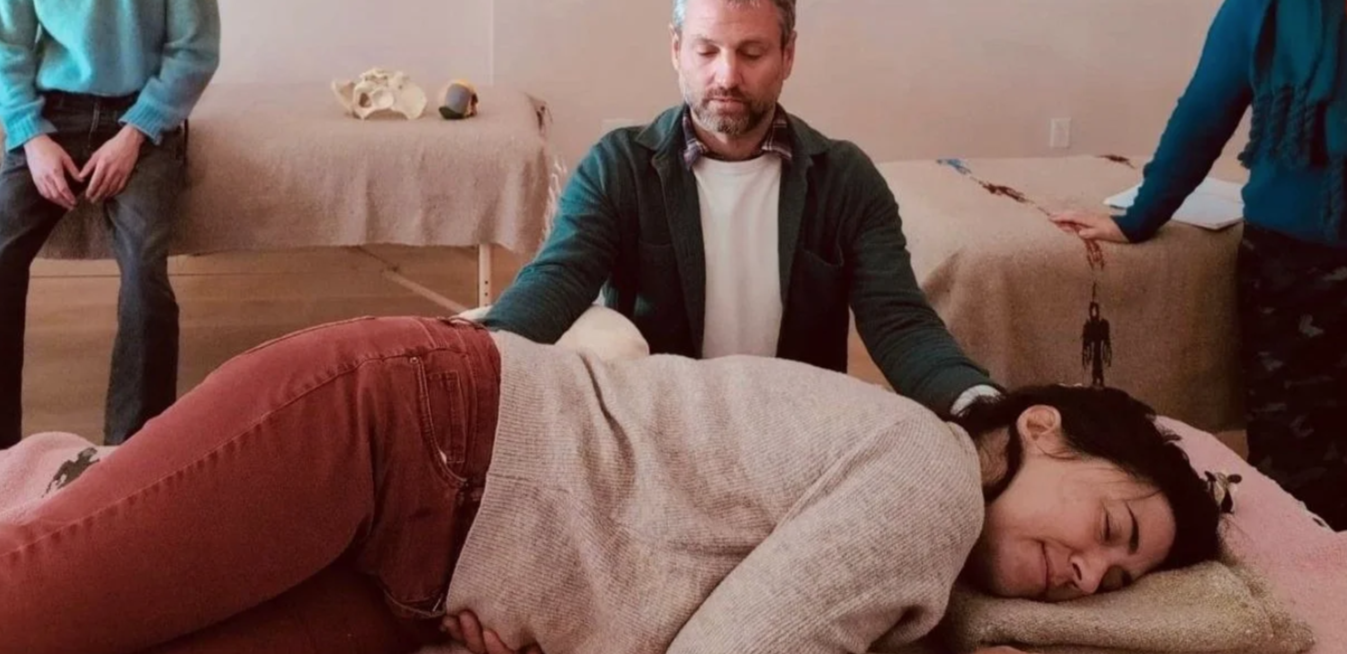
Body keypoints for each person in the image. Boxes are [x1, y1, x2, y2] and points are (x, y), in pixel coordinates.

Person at [0, 314, 1222, 654]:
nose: (1091, 574)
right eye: (1114, 528)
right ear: (1043, 430)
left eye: (1118, 582)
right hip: (404, 430)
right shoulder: (930, 482)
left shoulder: (923, 577)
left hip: (423, 571)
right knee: (31, 601)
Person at [482, 0, 1000, 419]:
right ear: (676, 49)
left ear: (788, 55)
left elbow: (900, 322)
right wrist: (469, 358)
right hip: (657, 431)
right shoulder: (618, 167)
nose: (727, 76)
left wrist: (981, 406)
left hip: (800, 432)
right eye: (706, 51)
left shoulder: (845, 179)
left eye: (752, 53)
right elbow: (556, 280)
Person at [1054, 0, 1347, 540]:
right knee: (1300, 463)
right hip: (1297, 267)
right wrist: (1140, 215)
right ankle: (1308, 585)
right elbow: (1203, 115)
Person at [0, 0, 220, 448]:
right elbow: (9, 51)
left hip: (141, 121)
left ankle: (132, 455)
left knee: (146, 278)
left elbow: (194, 52)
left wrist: (135, 134)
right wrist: (30, 135)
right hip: (53, 117)